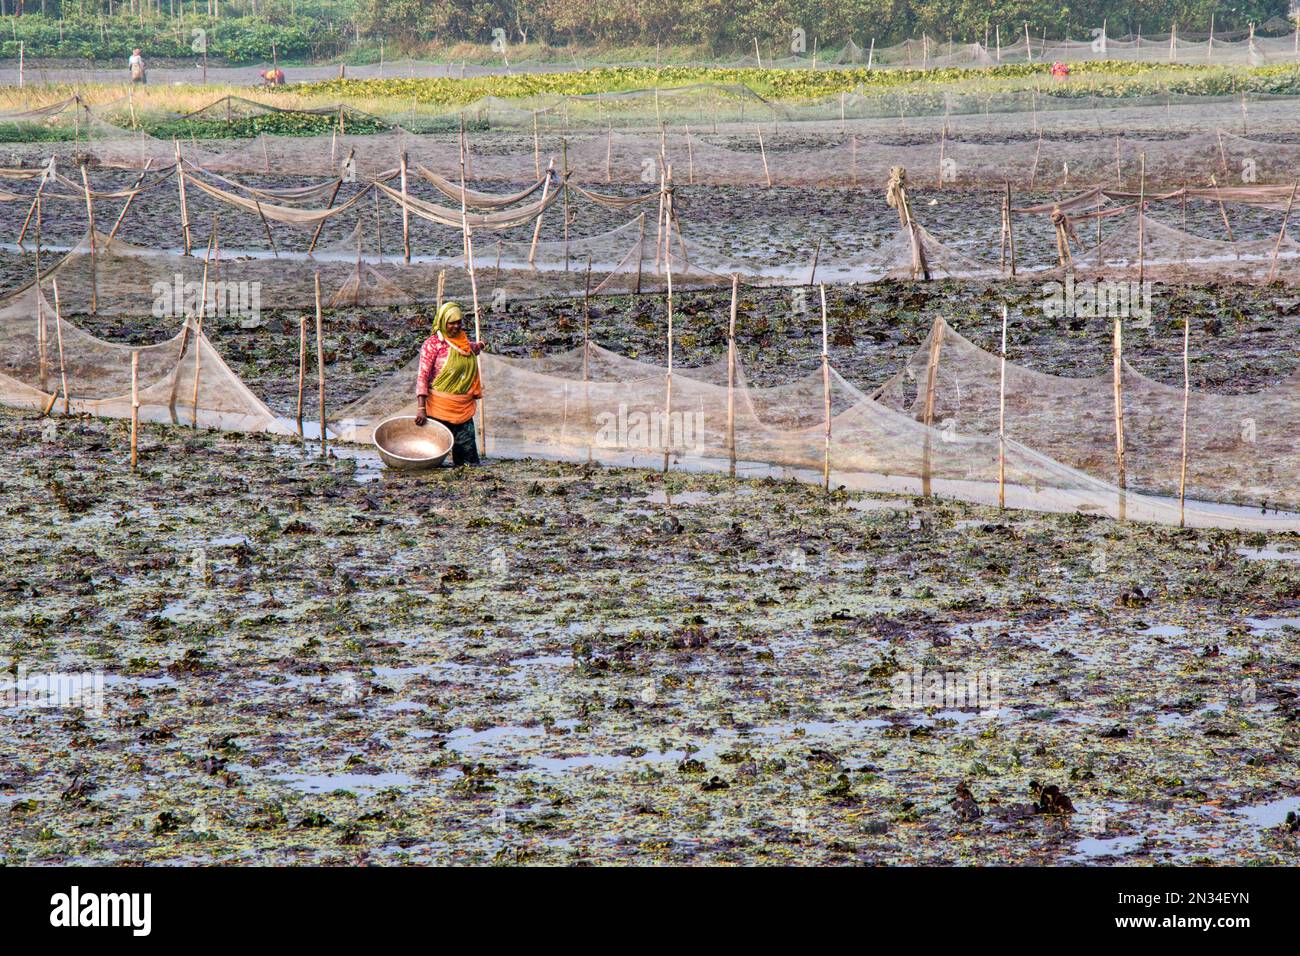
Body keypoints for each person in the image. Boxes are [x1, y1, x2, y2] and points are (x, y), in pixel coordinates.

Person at [414, 302, 486, 466]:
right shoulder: (432, 345)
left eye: (459, 322)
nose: (456, 326)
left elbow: (468, 350)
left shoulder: (463, 341)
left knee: (468, 462)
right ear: (442, 322)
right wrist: (421, 408)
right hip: (438, 408)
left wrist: (480, 345)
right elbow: (422, 376)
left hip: (462, 409)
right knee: (432, 457)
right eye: (452, 322)